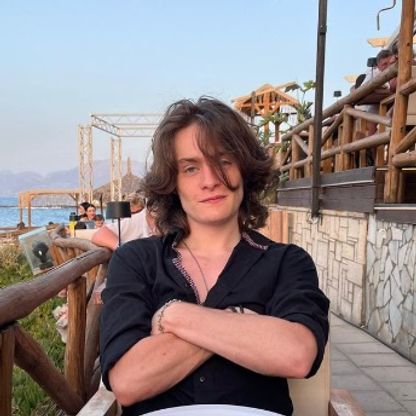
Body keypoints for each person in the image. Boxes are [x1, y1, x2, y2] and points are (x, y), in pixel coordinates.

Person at [100, 97, 329, 416]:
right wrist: (245, 322)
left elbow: (297, 355)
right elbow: (128, 381)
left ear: (245, 171)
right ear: (173, 182)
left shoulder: (287, 262)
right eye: (191, 168)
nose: (210, 180)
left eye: (224, 161)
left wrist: (174, 316)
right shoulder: (136, 261)